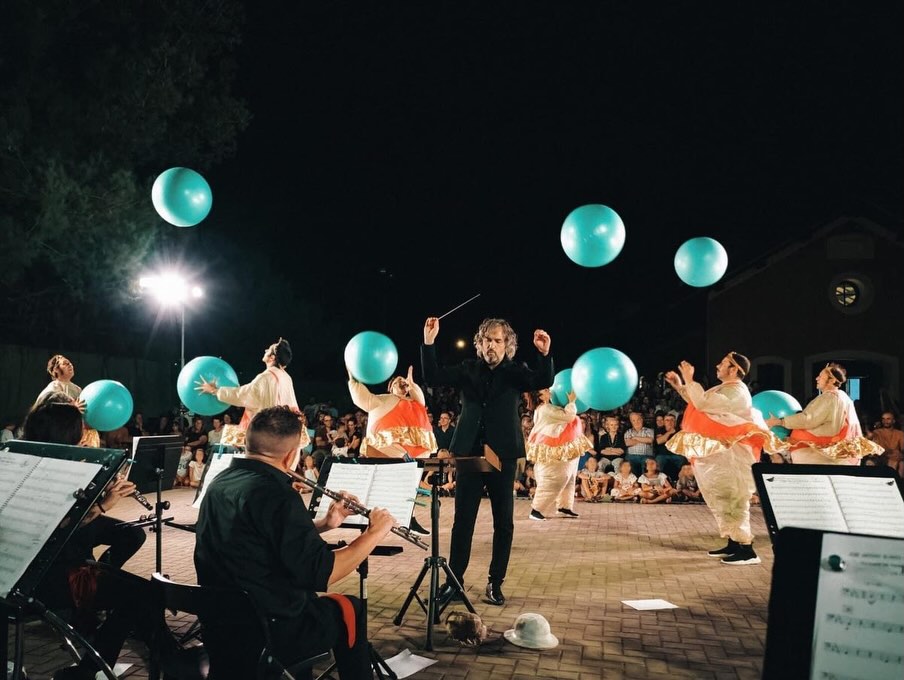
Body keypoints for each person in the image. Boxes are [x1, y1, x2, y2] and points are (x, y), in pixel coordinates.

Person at [194, 406, 394, 678]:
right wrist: (374, 534)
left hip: (222, 625)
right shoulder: (277, 494)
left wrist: (325, 523)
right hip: (268, 630)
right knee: (350, 607)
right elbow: (324, 572)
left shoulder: (220, 482)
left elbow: (259, 536)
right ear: (290, 455)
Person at [422, 316, 554, 606]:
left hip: (503, 454)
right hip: (469, 451)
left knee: (503, 521)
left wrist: (544, 355)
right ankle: (454, 583)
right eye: (487, 340)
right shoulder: (468, 369)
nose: (491, 345)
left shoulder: (515, 371)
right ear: (479, 344)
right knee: (462, 521)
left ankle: (496, 583)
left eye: (497, 340)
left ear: (507, 345)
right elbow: (433, 375)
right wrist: (429, 342)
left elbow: (541, 380)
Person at [22, 396, 153, 680]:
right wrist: (104, 505)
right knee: (144, 595)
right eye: (79, 430)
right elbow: (61, 528)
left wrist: (106, 486)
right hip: (51, 573)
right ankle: (90, 668)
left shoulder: (30, 461)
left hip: (49, 563)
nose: (84, 434)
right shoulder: (48, 470)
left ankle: (165, 652)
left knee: (140, 579)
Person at [665, 352, 783, 565]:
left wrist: (690, 380)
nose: (718, 366)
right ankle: (734, 542)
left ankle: (747, 550)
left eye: (723, 364)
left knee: (734, 498)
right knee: (722, 496)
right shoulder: (725, 389)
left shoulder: (737, 392)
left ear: (734, 369)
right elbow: (699, 400)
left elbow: (702, 403)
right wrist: (680, 385)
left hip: (734, 456)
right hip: (724, 455)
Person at [196, 338, 307, 447]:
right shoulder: (286, 377)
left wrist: (214, 390)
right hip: (287, 435)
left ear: (272, 357)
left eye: (268, 350)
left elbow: (242, 395)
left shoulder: (265, 377)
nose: (265, 350)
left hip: (269, 434)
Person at [765, 364, 882, 466]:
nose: (817, 379)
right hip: (839, 456)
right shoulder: (844, 397)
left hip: (822, 456)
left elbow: (809, 419)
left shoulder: (830, 397)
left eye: (820, 376)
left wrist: (780, 421)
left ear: (831, 381)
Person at [525, 389, 593, 520]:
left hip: (562, 445)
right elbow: (569, 416)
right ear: (540, 396)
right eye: (544, 390)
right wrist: (572, 402)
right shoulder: (545, 408)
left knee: (569, 477)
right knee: (554, 479)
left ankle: (564, 507)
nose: (549, 390)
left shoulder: (548, 407)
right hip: (554, 448)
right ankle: (536, 510)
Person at [347, 364, 437, 459]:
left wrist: (412, 385)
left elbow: (420, 400)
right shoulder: (384, 400)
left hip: (416, 453)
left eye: (403, 380)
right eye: (398, 380)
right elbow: (363, 398)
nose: (402, 381)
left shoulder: (414, 403)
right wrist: (354, 379)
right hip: (389, 451)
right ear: (391, 388)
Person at [866, 411, 904, 476]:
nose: (885, 421)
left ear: (893, 421)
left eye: (888, 419)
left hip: (894, 457)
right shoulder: (876, 432)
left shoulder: (899, 433)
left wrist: (900, 455)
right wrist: (869, 437)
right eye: (883, 419)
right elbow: (867, 441)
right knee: (870, 462)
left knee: (899, 463)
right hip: (880, 457)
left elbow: (902, 449)